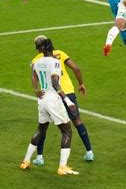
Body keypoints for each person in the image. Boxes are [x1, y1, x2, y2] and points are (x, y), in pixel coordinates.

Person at [30, 35, 94, 164]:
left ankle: (39, 157)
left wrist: (36, 89)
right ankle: (89, 152)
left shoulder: (36, 59)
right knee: (77, 121)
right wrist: (81, 84)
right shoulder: (60, 53)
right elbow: (76, 68)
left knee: (43, 126)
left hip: (51, 95)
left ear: (38, 48)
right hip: (68, 92)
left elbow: (34, 76)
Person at [20, 39, 79, 175]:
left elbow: (33, 75)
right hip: (53, 99)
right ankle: (62, 167)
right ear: (51, 47)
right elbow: (54, 82)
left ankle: (26, 161)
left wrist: (35, 89)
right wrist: (68, 101)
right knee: (67, 132)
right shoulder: (55, 62)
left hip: (42, 100)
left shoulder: (37, 62)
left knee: (41, 129)